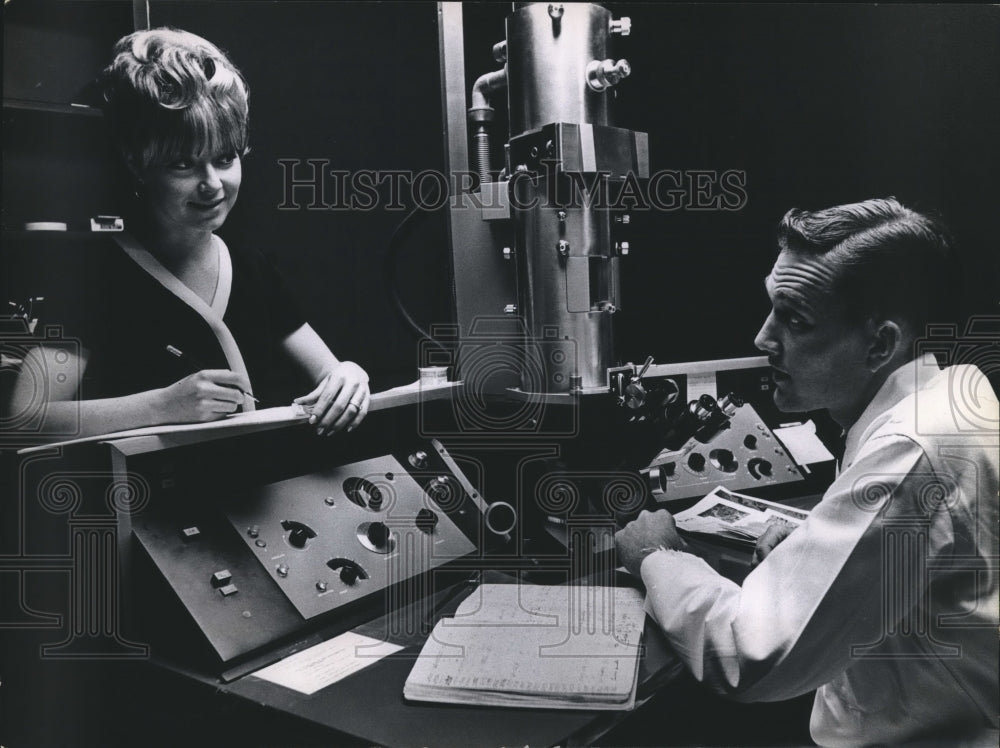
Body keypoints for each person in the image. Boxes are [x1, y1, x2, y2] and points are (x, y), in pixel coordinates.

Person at [615, 198, 998, 745]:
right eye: (772, 308)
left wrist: (658, 556)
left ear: (880, 344)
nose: (763, 339)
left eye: (795, 320)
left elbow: (747, 656)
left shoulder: (910, 450)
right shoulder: (951, 394)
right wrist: (822, 548)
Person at [10, 28, 369, 438]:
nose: (212, 183)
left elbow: (329, 372)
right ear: (137, 163)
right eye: (183, 164)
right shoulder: (90, 275)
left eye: (225, 157)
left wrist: (348, 376)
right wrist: (162, 405)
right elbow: (28, 417)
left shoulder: (250, 267)